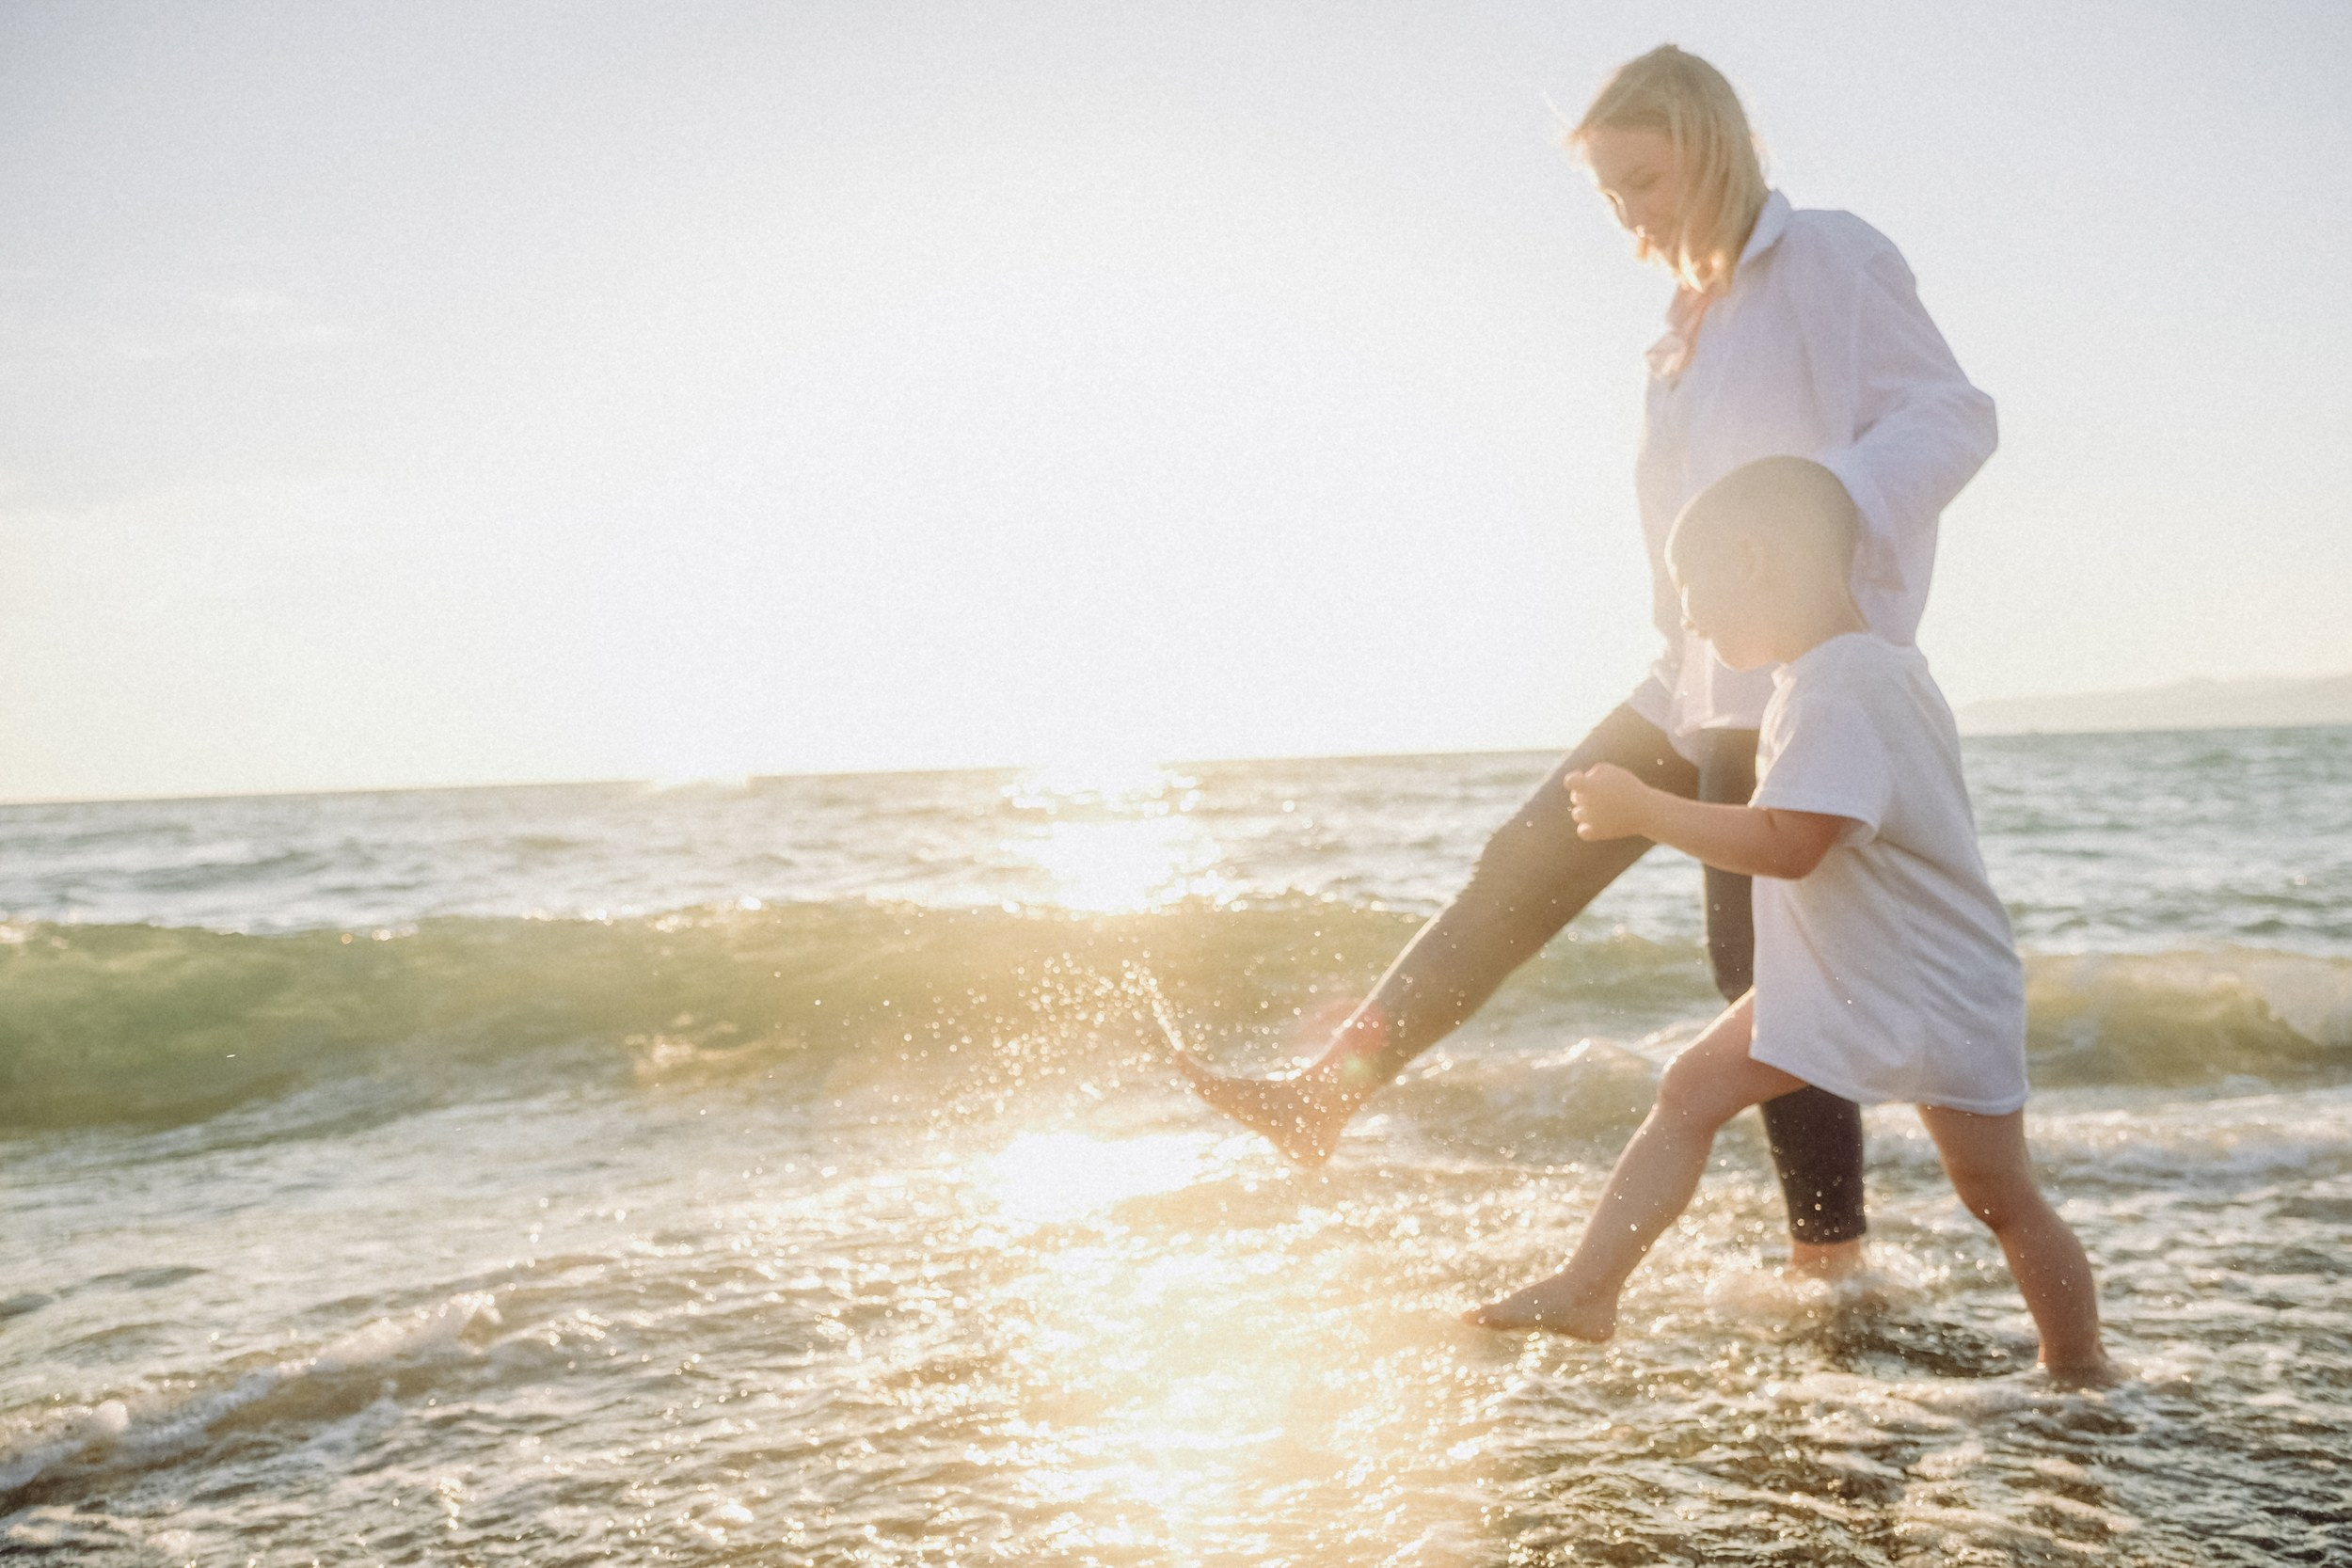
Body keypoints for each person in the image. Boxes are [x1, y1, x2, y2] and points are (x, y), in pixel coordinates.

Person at [1171, 43, 1997, 1276]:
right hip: (1689, 672)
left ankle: (1830, 1262)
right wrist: (1676, 632)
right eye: (1612, 194)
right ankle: (1320, 1095)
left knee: (1760, 968)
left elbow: (1952, 416)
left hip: (1794, 678)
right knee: (1524, 859)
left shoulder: (1830, 259)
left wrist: (1819, 505)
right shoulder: (1679, 334)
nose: (1630, 216)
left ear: (1713, 152)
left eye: (1644, 182)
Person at [1460, 457, 2106, 1383]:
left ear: (1753, 558)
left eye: (1691, 587)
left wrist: (1645, 809)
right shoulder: (1856, 672)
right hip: (1857, 971)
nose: (1688, 618)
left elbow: (1790, 841)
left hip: (1924, 983)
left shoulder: (1838, 687)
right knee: (1692, 1089)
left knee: (1998, 1193)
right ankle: (1588, 1288)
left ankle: (2078, 1365)